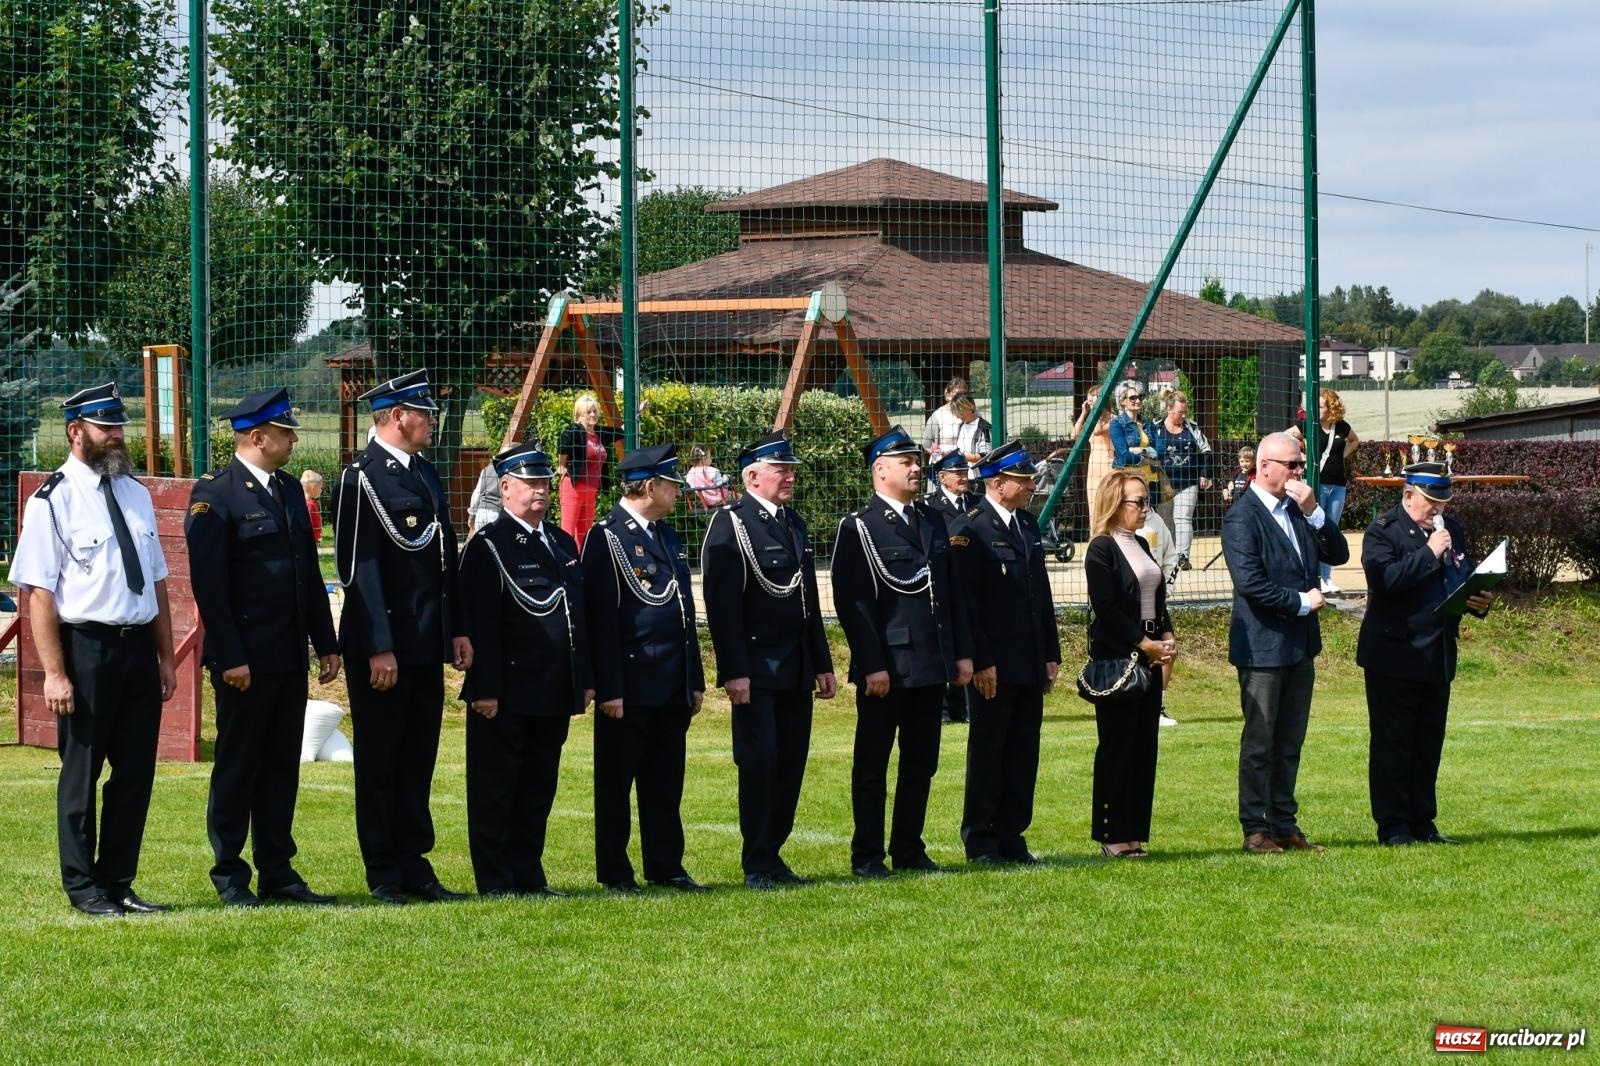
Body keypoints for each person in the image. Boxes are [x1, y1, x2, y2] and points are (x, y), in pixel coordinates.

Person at [7, 383, 178, 916]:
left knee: (135, 774)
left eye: (120, 426)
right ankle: (83, 888)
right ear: (76, 431)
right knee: (81, 773)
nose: (117, 436)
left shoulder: (135, 493)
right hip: (86, 650)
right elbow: (37, 592)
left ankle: (119, 881)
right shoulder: (52, 500)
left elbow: (157, 582)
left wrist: (166, 656)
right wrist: (54, 674)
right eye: (106, 427)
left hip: (135, 651)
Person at [186, 387, 341, 907]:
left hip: (287, 658)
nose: (294, 439)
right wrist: (230, 656)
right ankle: (231, 876)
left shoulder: (290, 491)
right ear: (258, 437)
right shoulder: (216, 495)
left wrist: (326, 643)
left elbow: (307, 575)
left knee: (280, 767)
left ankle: (279, 871)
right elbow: (209, 585)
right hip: (244, 662)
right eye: (285, 432)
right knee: (239, 765)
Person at [331, 369, 473, 904]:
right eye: (425, 412)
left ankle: (415, 863)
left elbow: (445, 559)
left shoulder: (425, 476)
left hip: (424, 640)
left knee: (418, 756)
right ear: (397, 416)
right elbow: (357, 569)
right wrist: (378, 645)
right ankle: (383, 870)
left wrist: (455, 629)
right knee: (381, 759)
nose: (432, 421)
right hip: (385, 647)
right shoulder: (360, 478)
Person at [831, 426, 972, 878]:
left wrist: (959, 654)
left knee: (921, 762)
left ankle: (909, 847)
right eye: (906, 462)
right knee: (872, 764)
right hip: (887, 665)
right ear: (880, 470)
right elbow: (853, 604)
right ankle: (868, 854)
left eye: (917, 461)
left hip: (930, 661)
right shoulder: (860, 527)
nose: (917, 469)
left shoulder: (930, 519)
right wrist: (872, 664)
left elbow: (948, 595)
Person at [701, 432, 836, 890]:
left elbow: (808, 601)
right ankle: (757, 860)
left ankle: (774, 852)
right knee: (760, 763)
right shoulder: (731, 524)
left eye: (791, 469)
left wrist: (822, 662)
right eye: (782, 469)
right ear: (753, 476)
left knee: (790, 764)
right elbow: (723, 607)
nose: (790, 476)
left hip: (795, 666)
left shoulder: (793, 523)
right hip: (756, 669)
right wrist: (733, 671)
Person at [458, 443, 592, 896]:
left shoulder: (558, 541)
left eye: (544, 483)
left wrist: (584, 678)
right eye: (530, 483)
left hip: (553, 687)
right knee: (496, 789)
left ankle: (528, 874)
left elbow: (576, 614)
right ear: (507, 487)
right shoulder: (489, 546)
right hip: (508, 690)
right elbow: (481, 625)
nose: (539, 491)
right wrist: (485, 688)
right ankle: (495, 880)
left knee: (538, 789)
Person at [581, 443, 707, 893]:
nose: (678, 492)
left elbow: (684, 613)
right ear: (650, 486)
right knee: (616, 785)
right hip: (630, 684)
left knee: (665, 782)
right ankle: (615, 871)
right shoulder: (607, 536)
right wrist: (609, 687)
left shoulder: (666, 535)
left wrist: (694, 679)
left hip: (671, 681)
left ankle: (666, 865)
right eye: (672, 484)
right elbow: (602, 619)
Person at [1220, 432, 1349, 855]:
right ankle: (1255, 829)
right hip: (1262, 647)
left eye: (1300, 465)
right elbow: (1251, 584)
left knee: (1290, 740)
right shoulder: (1243, 516)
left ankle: (1283, 823)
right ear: (1265, 466)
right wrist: (1301, 602)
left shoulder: (1297, 510)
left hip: (1299, 645)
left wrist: (1314, 511)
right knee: (1260, 741)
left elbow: (1340, 552)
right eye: (1292, 465)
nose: (1299, 472)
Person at [1357, 463, 1494, 846]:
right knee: (1393, 744)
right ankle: (1394, 826)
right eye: (1431, 503)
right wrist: (1431, 552)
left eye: (1443, 503)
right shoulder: (1383, 531)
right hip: (1395, 653)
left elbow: (1456, 580)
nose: (1437, 511)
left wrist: (1477, 599)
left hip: (1437, 653)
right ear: (1408, 496)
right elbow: (1385, 582)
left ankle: (1423, 822)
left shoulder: (1454, 531)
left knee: (1427, 742)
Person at [947, 441, 1060, 865]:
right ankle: (981, 838)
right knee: (990, 749)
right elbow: (967, 603)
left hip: (1029, 658)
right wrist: (979, 659)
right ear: (997, 483)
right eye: (1023, 479)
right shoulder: (970, 529)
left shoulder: (1027, 526)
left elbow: (1040, 596)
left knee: (1023, 750)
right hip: (993, 661)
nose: (1031, 484)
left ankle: (1013, 834)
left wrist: (1050, 652)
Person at [1082, 470, 1174, 859]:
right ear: (1115, 504)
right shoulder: (1101, 549)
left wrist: (1167, 638)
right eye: (1138, 501)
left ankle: (1134, 832)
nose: (1145, 508)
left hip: (1151, 652)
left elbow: (1156, 595)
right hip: (1122, 654)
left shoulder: (1140, 542)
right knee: (1118, 746)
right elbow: (1105, 608)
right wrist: (1143, 643)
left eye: (1146, 500)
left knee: (1143, 747)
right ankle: (1111, 833)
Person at [926, 450, 980, 725]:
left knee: (971, 644)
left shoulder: (976, 503)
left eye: (965, 472)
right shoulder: (932, 508)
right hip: (947, 582)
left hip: (972, 583)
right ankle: (947, 708)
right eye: (957, 473)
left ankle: (968, 706)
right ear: (942, 477)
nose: (963, 477)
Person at [1148, 390, 1212, 570]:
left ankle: (1183, 556)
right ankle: (1161, 555)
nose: (1183, 415)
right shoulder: (1155, 427)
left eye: (1185, 412)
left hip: (1188, 481)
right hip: (1163, 482)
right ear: (1169, 409)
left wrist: (1205, 474)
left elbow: (1206, 451)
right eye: (1179, 412)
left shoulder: (1192, 427)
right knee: (1162, 520)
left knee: (1183, 519)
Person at [557, 394, 625, 550]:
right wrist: (561, 465)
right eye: (589, 412)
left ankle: (581, 568)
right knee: (567, 532)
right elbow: (563, 445)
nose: (593, 415)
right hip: (574, 487)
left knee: (584, 534)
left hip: (591, 490)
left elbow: (620, 431)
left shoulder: (600, 433)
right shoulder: (574, 431)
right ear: (579, 414)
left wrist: (638, 413)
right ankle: (564, 568)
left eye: (595, 411)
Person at [1135, 504, 1182, 727]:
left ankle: (1158, 707)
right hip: (1133, 605)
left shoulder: (1157, 522)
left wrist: (1166, 589)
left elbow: (1172, 558)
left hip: (1156, 601)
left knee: (1168, 646)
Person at [1313, 390, 1358, 594]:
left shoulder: (1342, 426)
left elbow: (1355, 441)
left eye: (1321, 405)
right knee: (1316, 528)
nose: (1318, 408)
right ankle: (1314, 577)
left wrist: (1342, 457)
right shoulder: (1310, 425)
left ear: (1331, 407)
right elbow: (1288, 435)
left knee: (1331, 530)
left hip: (1338, 485)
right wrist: (1302, 455)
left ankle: (1326, 578)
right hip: (1318, 484)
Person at [1107, 380, 1161, 512]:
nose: (1138, 400)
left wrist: (1142, 450)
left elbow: (1161, 451)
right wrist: (1147, 459)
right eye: (1133, 398)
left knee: (1150, 521)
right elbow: (1124, 455)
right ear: (1122, 401)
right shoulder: (1117, 424)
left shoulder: (1148, 424)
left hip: (1151, 481)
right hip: (1129, 480)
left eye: (1140, 397)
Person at [1073, 385, 1114, 508]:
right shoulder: (1091, 421)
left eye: (1093, 400)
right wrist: (1084, 413)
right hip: (1093, 472)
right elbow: (1074, 435)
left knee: (1107, 507)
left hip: (1109, 469)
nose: (1090, 404)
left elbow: (1097, 431)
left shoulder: (1114, 420)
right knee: (1094, 509)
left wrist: (1096, 413)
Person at [921, 376, 973, 464]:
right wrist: (939, 457)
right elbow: (927, 442)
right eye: (957, 394)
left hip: (968, 464)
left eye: (963, 394)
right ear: (947, 394)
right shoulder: (937, 416)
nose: (960, 398)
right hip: (945, 464)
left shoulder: (973, 414)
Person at [685, 445, 737, 509]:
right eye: (710, 456)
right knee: (741, 498)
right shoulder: (712, 471)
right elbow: (721, 484)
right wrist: (727, 477)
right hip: (722, 499)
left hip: (706, 502)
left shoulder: (690, 474)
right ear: (703, 458)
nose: (711, 457)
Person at [466, 460, 502, 534]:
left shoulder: (485, 470)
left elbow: (476, 493)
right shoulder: (506, 471)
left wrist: (472, 515)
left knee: (480, 543)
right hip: (496, 513)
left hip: (481, 513)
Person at [299, 469, 325, 542]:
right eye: (320, 488)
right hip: (310, 539)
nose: (321, 490)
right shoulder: (310, 504)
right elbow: (308, 523)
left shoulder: (302, 502)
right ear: (313, 488)